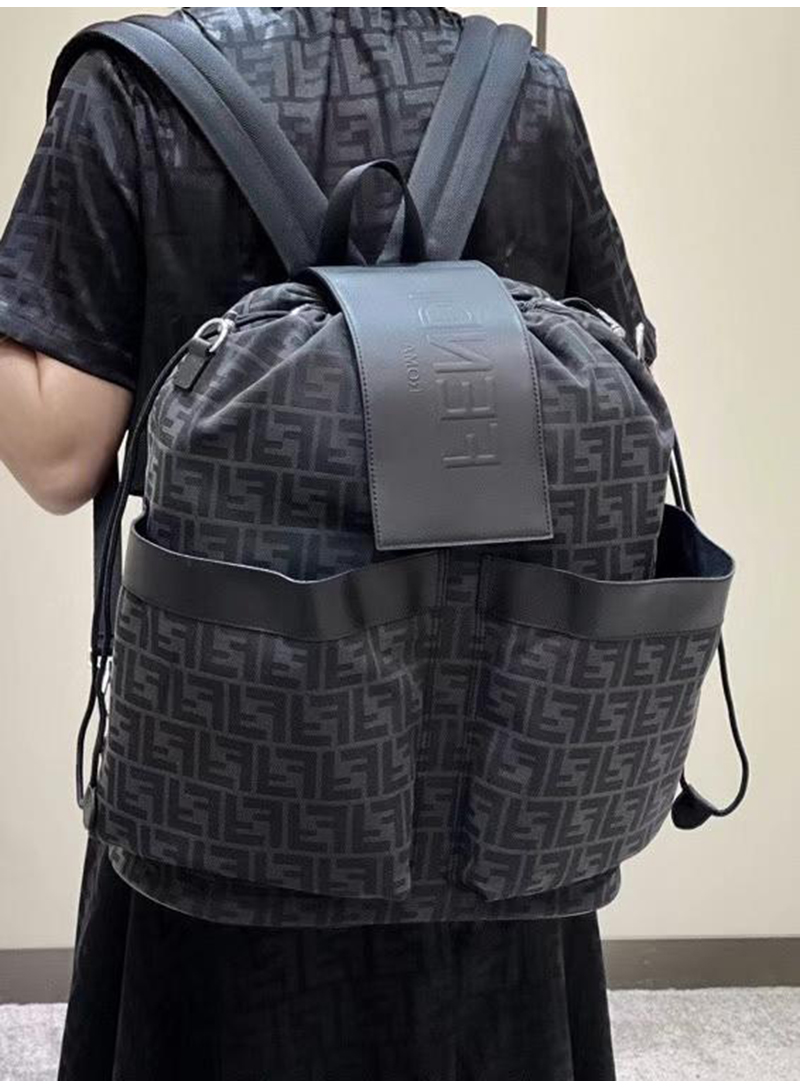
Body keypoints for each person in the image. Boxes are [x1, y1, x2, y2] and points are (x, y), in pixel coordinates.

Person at [0, 7, 654, 1079]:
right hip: (490, 795)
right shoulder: (525, 91)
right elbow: (611, 378)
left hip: (223, 786)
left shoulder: (129, 93)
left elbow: (58, 454)